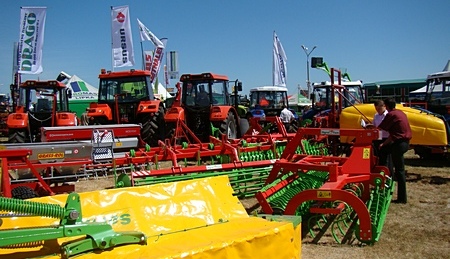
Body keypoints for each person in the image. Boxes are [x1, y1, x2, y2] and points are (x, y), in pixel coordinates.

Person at [377, 98, 412, 204]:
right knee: (385, 151)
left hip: (399, 144)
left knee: (400, 171)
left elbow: (379, 128)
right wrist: (384, 144)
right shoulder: (400, 113)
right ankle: (387, 178)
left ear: (386, 106)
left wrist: (369, 129)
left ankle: (402, 198)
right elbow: (394, 134)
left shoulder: (391, 115)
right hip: (405, 143)